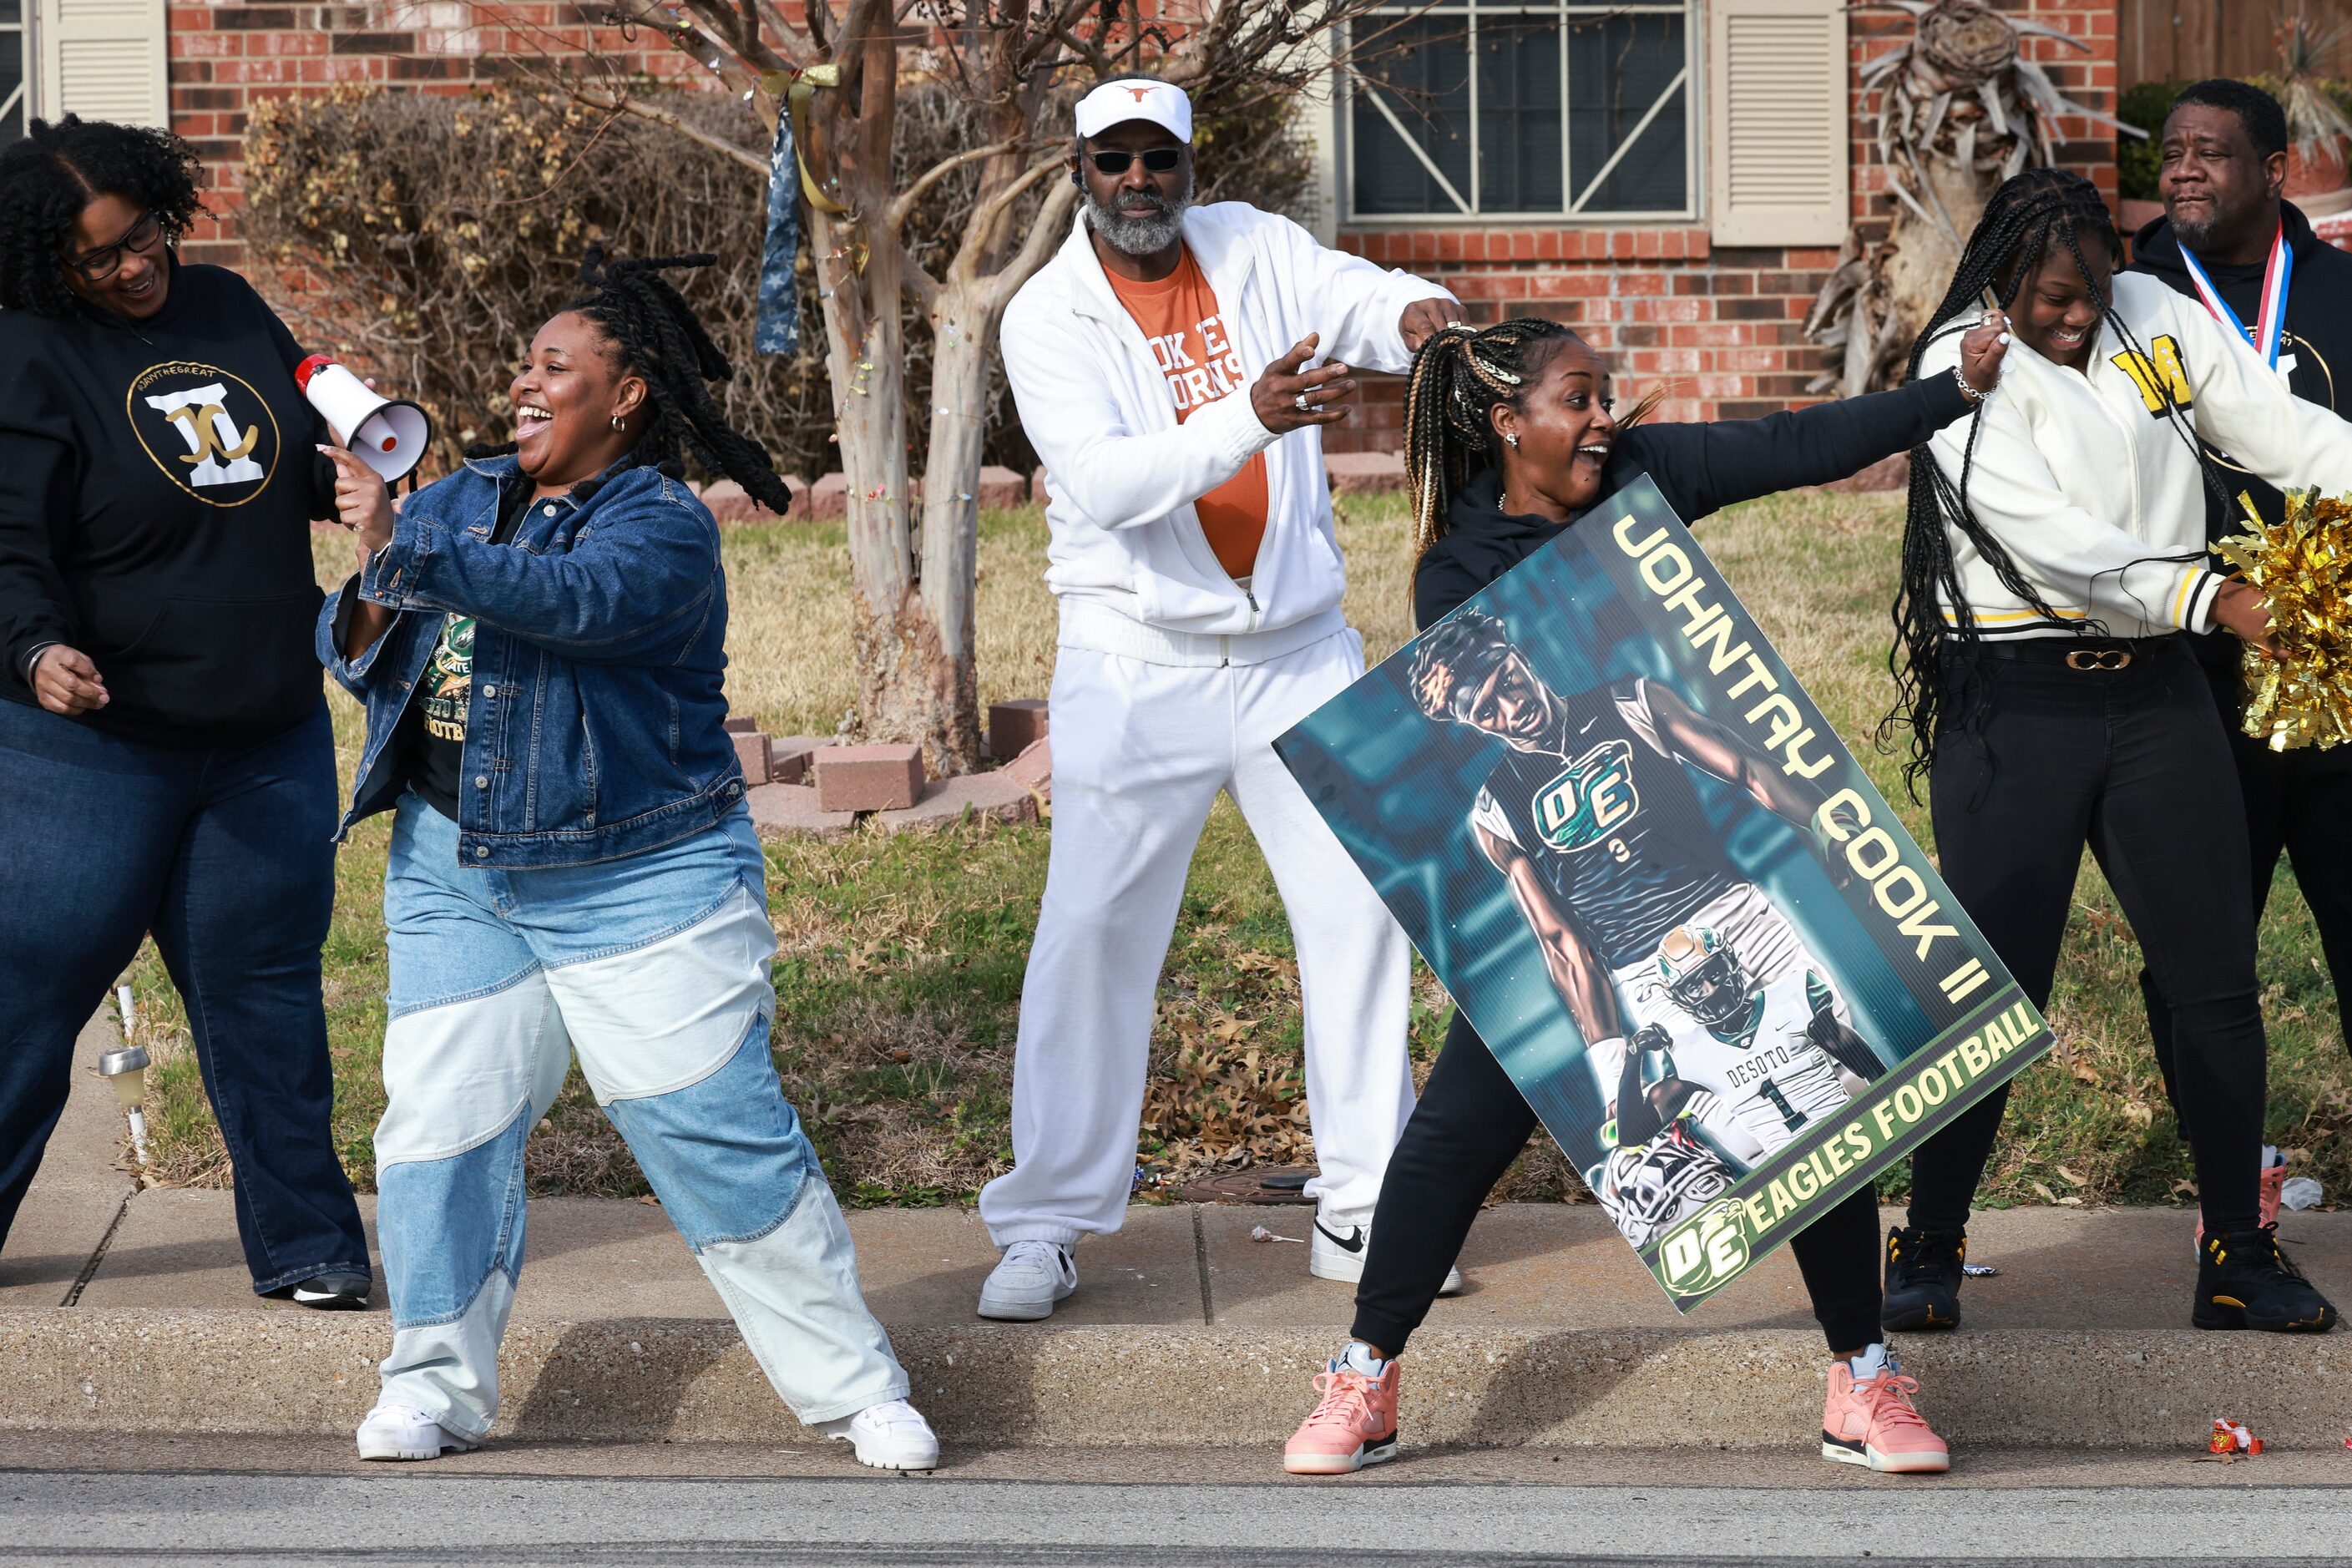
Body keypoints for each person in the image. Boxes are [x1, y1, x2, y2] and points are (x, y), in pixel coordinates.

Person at [1281, 312, 2009, 1478]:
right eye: (1576, 398)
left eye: (1604, 393)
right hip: (1605, 943)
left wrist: (1945, 394)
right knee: (1454, 1134)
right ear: (1505, 422)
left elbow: (1793, 441)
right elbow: (1531, 815)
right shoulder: (1455, 573)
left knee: (1810, 1112)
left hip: (1719, 906)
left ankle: (1861, 1384)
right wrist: (1609, 1050)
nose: (1603, 418)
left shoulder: (1639, 477)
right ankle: (1364, 1375)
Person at [320, 250, 938, 1469]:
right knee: (437, 1133)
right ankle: (432, 1384)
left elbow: (577, 604)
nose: (523, 382)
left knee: (713, 1131)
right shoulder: (448, 504)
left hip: (640, 873)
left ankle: (855, 1384)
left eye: (556, 365)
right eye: (523, 363)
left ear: (626, 396)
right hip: (457, 871)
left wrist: (406, 552)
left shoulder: (660, 526)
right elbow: (365, 662)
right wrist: (379, 577)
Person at [979, 73, 1460, 1318]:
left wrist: (1415, 315)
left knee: (1360, 919)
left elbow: (1351, 295)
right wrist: (1244, 415)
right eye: (1112, 161)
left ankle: (1363, 1208)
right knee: (1092, 933)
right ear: (1075, 172)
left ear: (1189, 165)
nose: (1138, 181)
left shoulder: (1251, 245)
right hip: (1135, 665)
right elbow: (1104, 481)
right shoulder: (1045, 315)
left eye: (1158, 159)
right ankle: (1043, 1223)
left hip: (1298, 652)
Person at [1881, 167, 2346, 1338]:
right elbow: (2057, 544)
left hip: (2156, 698)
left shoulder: (2147, 310)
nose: (2077, 314)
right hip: (2015, 698)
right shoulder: (1962, 361)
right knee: (1992, 985)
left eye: (2090, 287)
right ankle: (1928, 1243)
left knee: (2216, 983)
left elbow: (2274, 425)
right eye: (2051, 297)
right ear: (2000, 276)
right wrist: (2212, 594)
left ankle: (2235, 1256)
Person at [0, 116, 370, 1308]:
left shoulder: (224, 306)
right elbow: (6, 541)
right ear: (50, 262)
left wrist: (345, 476)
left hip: (263, 732)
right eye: (100, 254)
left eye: (144, 233)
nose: (133, 265)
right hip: (91, 747)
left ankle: (309, 1244)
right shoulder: (28, 349)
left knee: (263, 993)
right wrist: (34, 646)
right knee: (28, 995)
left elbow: (274, 452)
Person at [2130, 78, 2352, 1232]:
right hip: (2193, 679)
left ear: (2273, 168)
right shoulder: (2126, 304)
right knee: (2193, 951)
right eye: (2169, 152)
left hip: (2340, 683)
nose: (2180, 173)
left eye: (2210, 154)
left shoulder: (2341, 294)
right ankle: (2238, 1173)